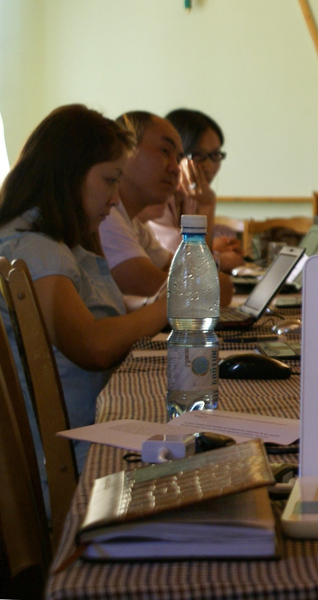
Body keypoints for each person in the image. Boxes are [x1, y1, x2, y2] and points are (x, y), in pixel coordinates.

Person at [0, 105, 169, 470]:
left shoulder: (58, 243)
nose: (115, 198)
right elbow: (92, 346)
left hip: (81, 436)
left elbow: (101, 315)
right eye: (110, 181)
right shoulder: (35, 249)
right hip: (70, 458)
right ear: (70, 174)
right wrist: (162, 309)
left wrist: (152, 306)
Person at [98, 111, 233, 305]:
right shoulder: (106, 218)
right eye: (165, 151)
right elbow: (184, 293)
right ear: (125, 152)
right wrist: (210, 288)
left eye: (178, 158)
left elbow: (199, 274)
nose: (176, 168)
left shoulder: (134, 225)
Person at [143, 109, 245, 272]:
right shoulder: (156, 197)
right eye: (198, 156)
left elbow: (199, 260)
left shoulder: (190, 196)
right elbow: (189, 266)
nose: (210, 167)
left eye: (215, 155)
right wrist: (208, 203)